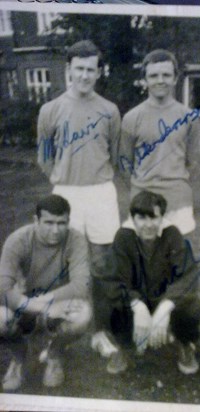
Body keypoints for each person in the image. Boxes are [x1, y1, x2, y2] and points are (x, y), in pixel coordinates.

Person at [37, 39, 121, 338]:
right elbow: (44, 158)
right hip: (66, 192)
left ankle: (101, 331)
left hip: (100, 192)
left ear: (99, 73)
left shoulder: (110, 111)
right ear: (68, 70)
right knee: (62, 263)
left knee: (102, 264)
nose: (85, 75)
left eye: (91, 70)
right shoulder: (50, 109)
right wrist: (64, 177)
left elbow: (114, 152)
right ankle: (61, 332)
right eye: (79, 69)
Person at [92, 191, 200, 374]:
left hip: (162, 299)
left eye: (154, 218)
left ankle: (184, 343)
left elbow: (189, 276)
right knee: (109, 299)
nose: (148, 225)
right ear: (132, 218)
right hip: (137, 301)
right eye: (142, 218)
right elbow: (114, 280)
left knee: (193, 306)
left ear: (162, 217)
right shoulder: (123, 237)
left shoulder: (172, 234)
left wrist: (166, 306)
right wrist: (137, 305)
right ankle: (124, 345)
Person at [0, 195, 91, 391]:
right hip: (22, 303)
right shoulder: (18, 240)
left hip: (58, 304)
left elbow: (81, 285)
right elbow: (3, 289)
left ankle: (54, 354)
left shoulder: (76, 240)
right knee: (0, 319)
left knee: (83, 314)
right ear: (36, 220)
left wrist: (47, 303)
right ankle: (19, 358)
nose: (56, 230)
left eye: (61, 223)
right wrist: (38, 306)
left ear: (68, 221)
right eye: (49, 222)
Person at [119, 49, 200, 236]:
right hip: (143, 202)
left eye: (166, 75)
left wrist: (177, 186)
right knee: (144, 261)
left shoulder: (188, 117)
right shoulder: (132, 118)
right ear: (144, 80)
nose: (160, 80)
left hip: (178, 202)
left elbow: (194, 163)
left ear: (175, 78)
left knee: (177, 261)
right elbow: (125, 165)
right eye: (154, 75)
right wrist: (142, 189)